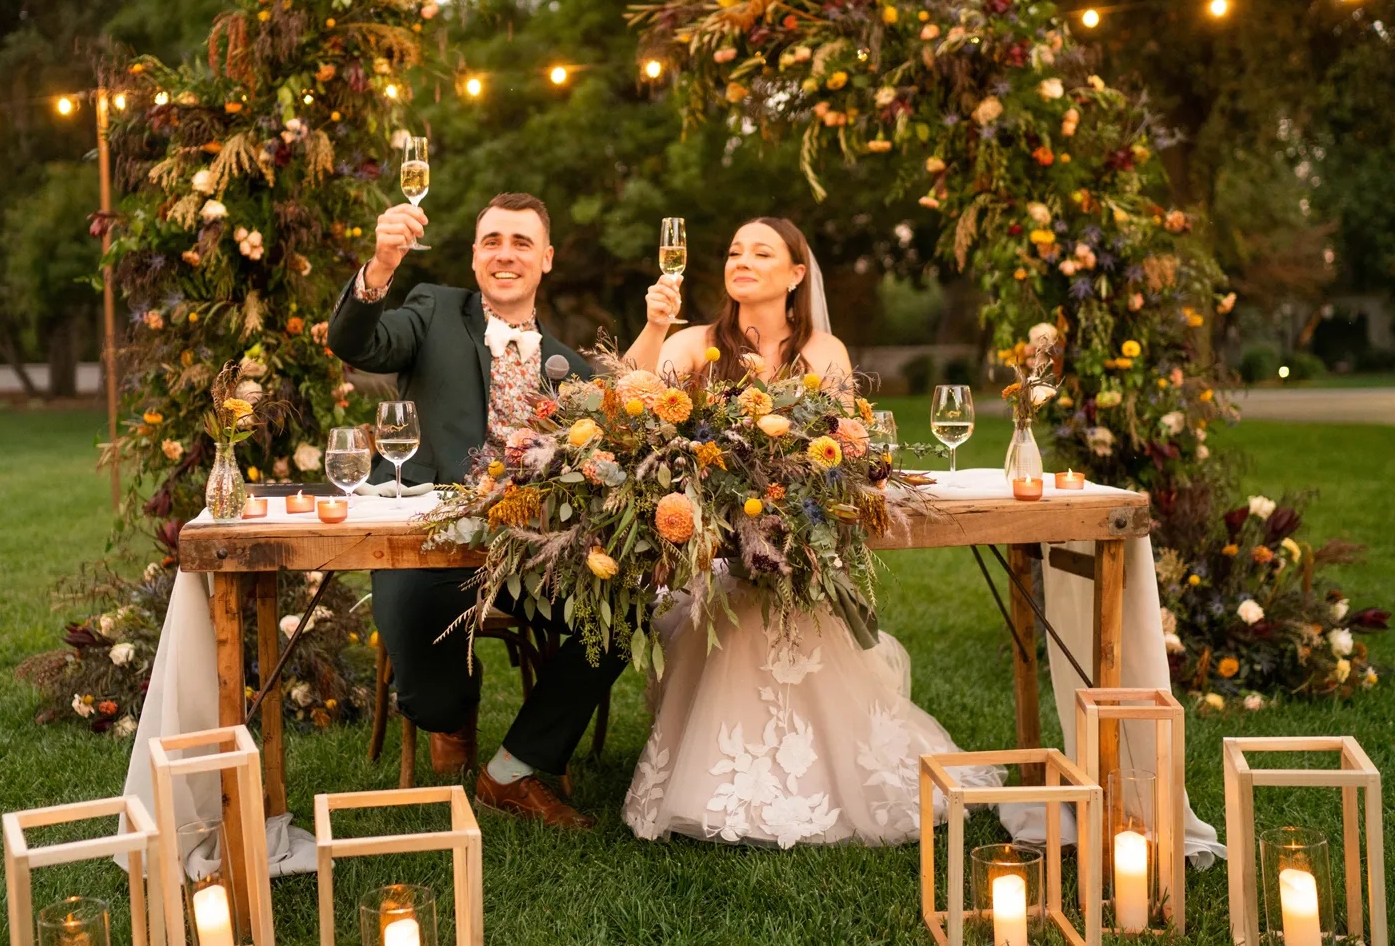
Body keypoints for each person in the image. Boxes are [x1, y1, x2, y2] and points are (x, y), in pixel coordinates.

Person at [620, 217, 1003, 847]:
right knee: (735, 602)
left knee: (786, 600)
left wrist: (800, 516)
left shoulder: (824, 353)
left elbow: (851, 451)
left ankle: (823, 778)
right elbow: (627, 402)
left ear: (796, 275)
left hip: (796, 541)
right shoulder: (692, 343)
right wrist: (656, 323)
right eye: (735, 250)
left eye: (761, 252)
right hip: (716, 549)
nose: (742, 260)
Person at [327, 193, 621, 829]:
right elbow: (355, 343)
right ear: (474, 255)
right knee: (430, 695)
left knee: (623, 610)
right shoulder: (433, 309)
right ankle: (451, 708)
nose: (505, 253)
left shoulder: (568, 365)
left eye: (521, 242)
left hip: (532, 550)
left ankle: (512, 769)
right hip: (428, 542)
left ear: (545, 259)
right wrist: (380, 266)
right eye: (492, 240)